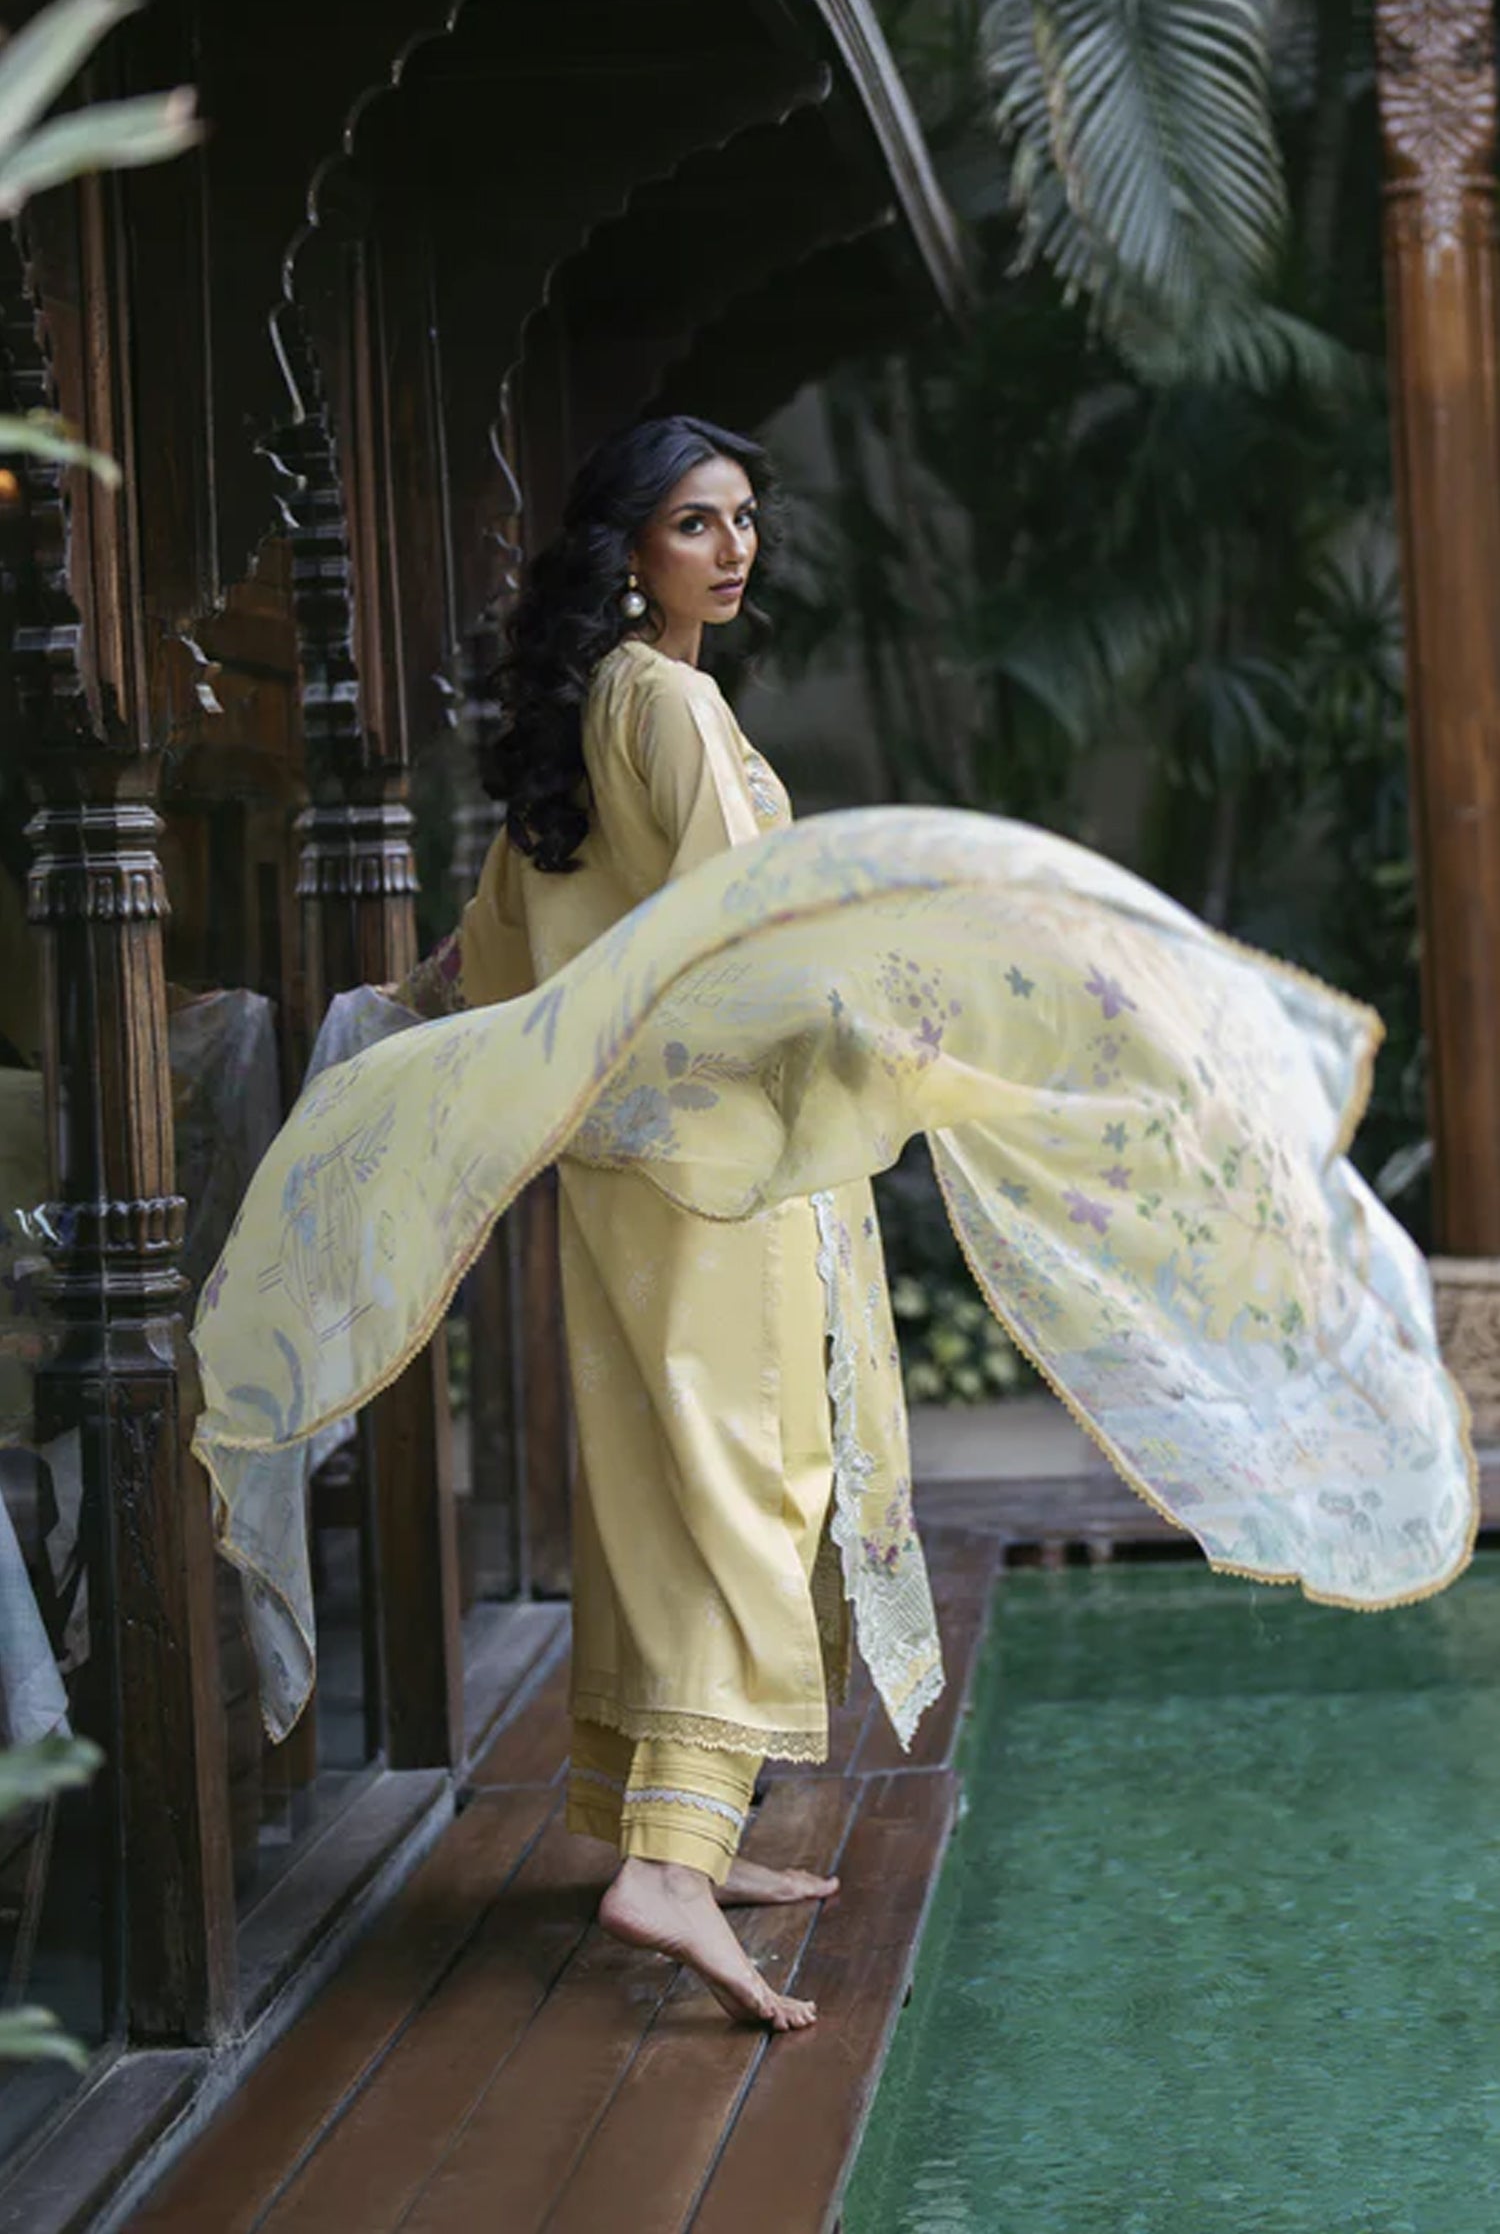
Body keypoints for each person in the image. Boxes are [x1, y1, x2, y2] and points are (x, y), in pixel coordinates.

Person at [192, 415, 1477, 2033]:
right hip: (725, 1169)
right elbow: (763, 938)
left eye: (743, 519)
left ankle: (667, 1824)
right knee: (752, 1481)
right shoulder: (670, 706)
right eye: (694, 522)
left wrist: (410, 1022)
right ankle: (666, 1864)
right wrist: (944, 1031)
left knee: (674, 1484)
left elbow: (506, 946)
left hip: (639, 1171)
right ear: (626, 546)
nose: (733, 549)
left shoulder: (585, 712)